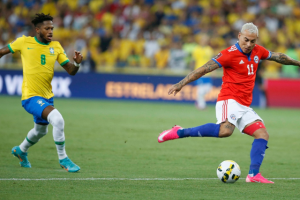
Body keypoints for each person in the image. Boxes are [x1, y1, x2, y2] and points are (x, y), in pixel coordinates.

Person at [158, 22, 300, 183]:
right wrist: (181, 83)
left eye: (252, 41)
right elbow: (204, 69)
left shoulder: (258, 51)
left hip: (244, 105)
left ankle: (253, 175)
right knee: (225, 131)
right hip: (229, 99)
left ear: (256, 40)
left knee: (262, 134)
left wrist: (298, 63)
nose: (248, 44)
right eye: (246, 40)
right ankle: (179, 132)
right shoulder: (228, 54)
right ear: (239, 36)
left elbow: (279, 57)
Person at [0, 13, 83, 172]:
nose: (51, 31)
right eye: (47, 28)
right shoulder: (24, 42)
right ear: (37, 30)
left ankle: (21, 150)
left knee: (40, 131)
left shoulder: (56, 46)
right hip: (30, 97)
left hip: (47, 97)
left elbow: (70, 71)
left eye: (52, 28)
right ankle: (63, 159)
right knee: (57, 119)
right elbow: (2, 51)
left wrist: (76, 64)